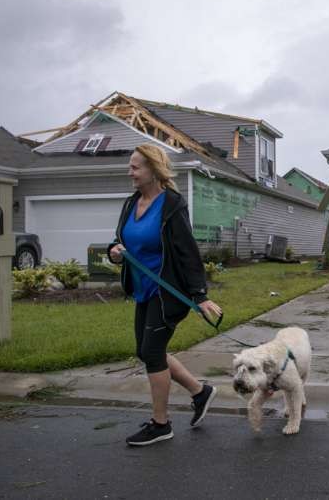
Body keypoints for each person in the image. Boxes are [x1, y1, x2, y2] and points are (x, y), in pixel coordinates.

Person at [108, 143, 222, 446]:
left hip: (166, 291)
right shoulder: (131, 203)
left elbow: (188, 253)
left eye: (135, 167)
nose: (129, 172)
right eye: (130, 166)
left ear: (153, 169)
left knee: (153, 353)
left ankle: (161, 424)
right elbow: (121, 240)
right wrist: (115, 252)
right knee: (145, 351)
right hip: (142, 289)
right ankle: (200, 392)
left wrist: (200, 295)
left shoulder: (171, 204)